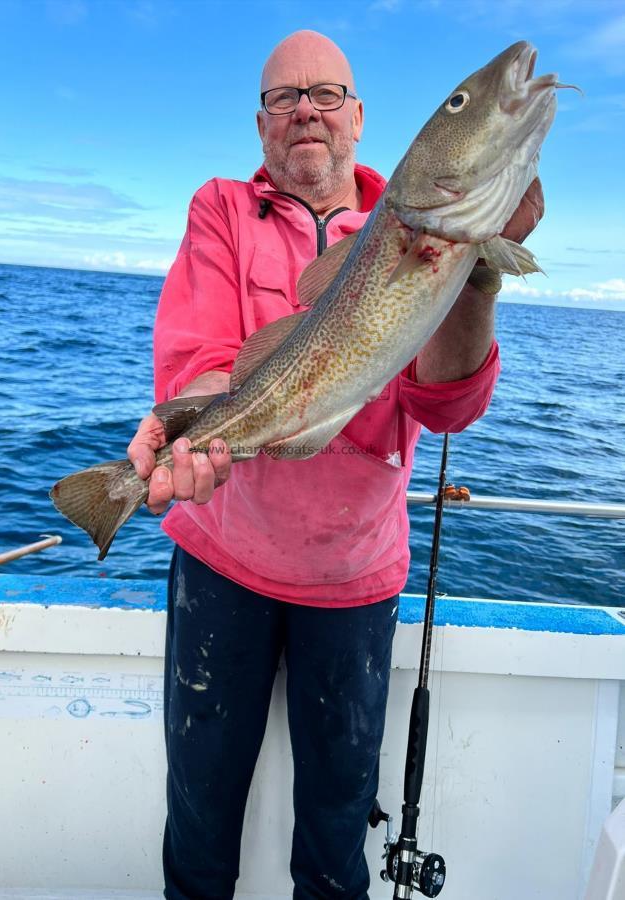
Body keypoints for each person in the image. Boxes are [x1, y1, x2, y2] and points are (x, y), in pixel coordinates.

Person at [128, 30, 543, 900]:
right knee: (198, 820)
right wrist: (197, 426)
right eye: (284, 97)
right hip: (219, 562)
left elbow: (448, 407)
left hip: (356, 582)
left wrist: (473, 272)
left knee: (335, 831)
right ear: (261, 124)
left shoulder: (409, 219)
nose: (305, 109)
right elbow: (200, 350)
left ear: (358, 116)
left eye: (324, 93)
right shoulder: (221, 207)